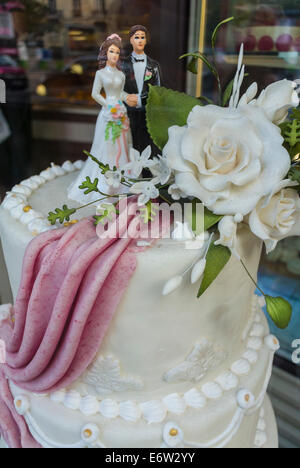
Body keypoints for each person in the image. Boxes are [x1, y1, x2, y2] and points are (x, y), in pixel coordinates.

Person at [68, 34, 134, 204]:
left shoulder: (121, 75)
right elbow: (94, 94)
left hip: (121, 111)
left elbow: (120, 93)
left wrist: (128, 98)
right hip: (108, 112)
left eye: (117, 52)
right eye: (112, 51)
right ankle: (105, 184)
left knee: (123, 146)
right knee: (106, 147)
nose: (114, 55)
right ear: (106, 53)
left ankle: (122, 183)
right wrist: (108, 105)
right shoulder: (100, 74)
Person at [122, 25, 162, 155]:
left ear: (146, 41)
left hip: (147, 112)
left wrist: (140, 99)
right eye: (136, 37)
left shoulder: (154, 65)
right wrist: (125, 98)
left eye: (142, 37)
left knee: (147, 145)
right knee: (130, 143)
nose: (140, 40)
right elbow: (118, 87)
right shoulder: (123, 64)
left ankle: (146, 172)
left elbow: (157, 90)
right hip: (128, 112)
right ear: (131, 40)